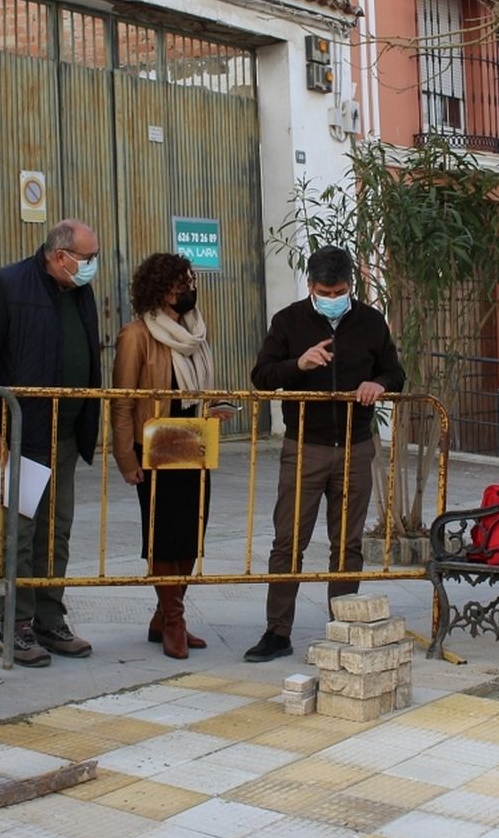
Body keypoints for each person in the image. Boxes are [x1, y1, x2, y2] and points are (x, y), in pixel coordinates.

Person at [244, 245, 405, 662]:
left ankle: (343, 626)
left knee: (348, 544)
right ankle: (277, 631)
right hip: (304, 447)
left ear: (351, 286)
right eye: (324, 292)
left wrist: (379, 384)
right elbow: (262, 376)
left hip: (356, 446)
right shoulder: (288, 321)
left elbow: (395, 372)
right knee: (288, 542)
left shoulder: (371, 321)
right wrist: (298, 365)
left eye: (340, 292)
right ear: (311, 286)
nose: (333, 299)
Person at [0, 219, 101, 666]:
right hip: (15, 437)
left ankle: (49, 618)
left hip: (64, 436)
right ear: (60, 256)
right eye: (87, 258)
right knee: (15, 536)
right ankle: (16, 626)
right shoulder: (5, 286)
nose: (92, 266)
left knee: (55, 532)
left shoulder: (79, 291)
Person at [112, 253, 230, 659]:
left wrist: (213, 407)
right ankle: (175, 622)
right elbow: (123, 402)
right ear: (161, 289)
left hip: (194, 441)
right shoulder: (136, 335)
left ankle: (163, 616)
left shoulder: (195, 332)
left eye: (191, 282)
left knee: (192, 535)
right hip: (154, 447)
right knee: (163, 538)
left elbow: (195, 392)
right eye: (182, 283)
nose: (189, 289)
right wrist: (126, 458)